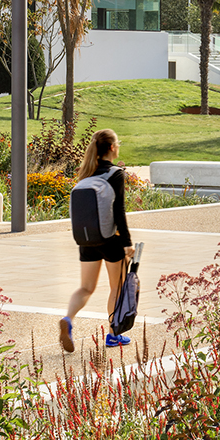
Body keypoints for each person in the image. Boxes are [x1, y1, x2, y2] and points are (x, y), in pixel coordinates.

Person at [59, 129, 133, 353]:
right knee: (117, 287)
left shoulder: (85, 176)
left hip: (87, 240)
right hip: (110, 239)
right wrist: (127, 243)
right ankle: (113, 335)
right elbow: (119, 211)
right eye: (117, 144)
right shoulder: (115, 174)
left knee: (86, 288)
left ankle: (68, 318)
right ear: (112, 147)